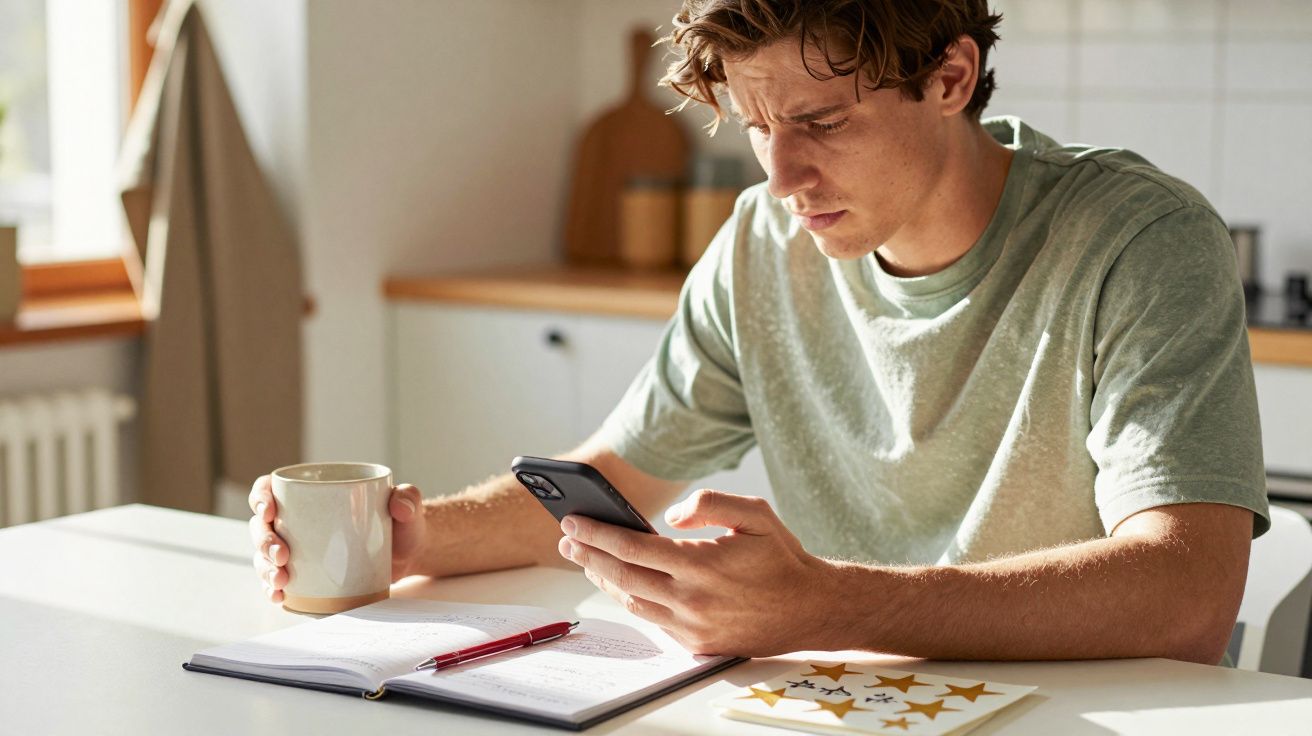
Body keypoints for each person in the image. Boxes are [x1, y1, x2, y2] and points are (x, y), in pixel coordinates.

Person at [249, 0, 1268, 664]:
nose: (778, 180)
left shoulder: (1139, 239)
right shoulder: (760, 244)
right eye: (752, 125)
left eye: (820, 123)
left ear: (950, 78)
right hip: (852, 707)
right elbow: (618, 476)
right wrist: (411, 537)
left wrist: (828, 604)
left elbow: (1185, 590)